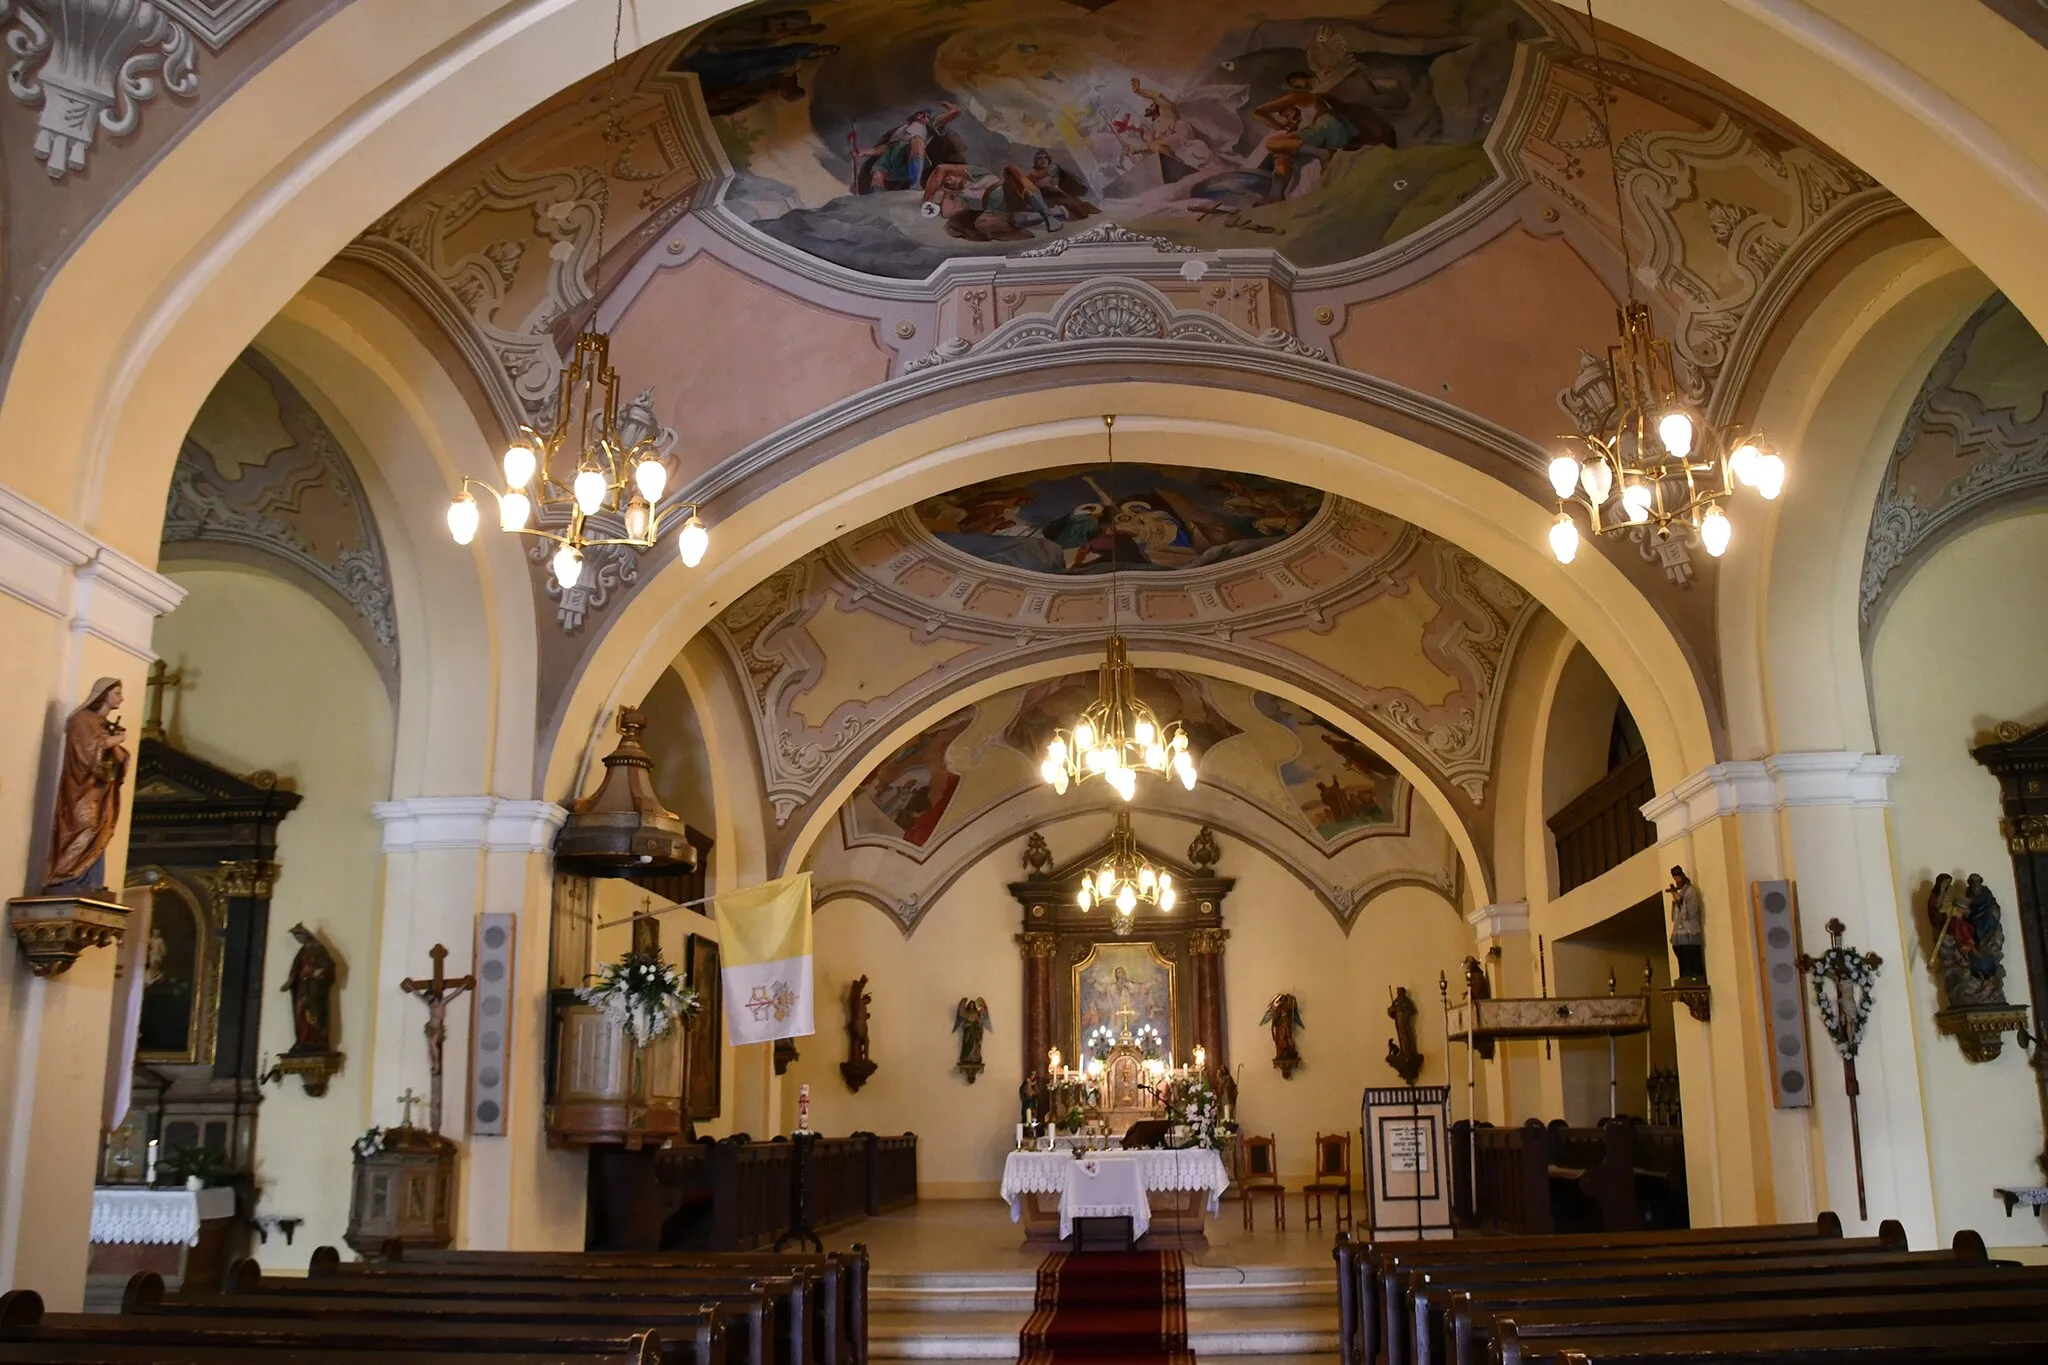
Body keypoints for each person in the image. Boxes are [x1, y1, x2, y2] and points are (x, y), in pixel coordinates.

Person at [43, 677, 129, 895]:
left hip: (100, 793)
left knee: (99, 831)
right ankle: (67, 876)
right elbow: (89, 752)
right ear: (103, 694)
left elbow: (118, 761)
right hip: (80, 790)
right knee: (83, 828)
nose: (121, 698)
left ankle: (90, 883)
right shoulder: (82, 720)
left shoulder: (102, 725)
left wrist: (117, 745)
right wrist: (116, 740)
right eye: (117, 693)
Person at [1667, 866, 1706, 980]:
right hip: (1680, 929)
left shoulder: (1690, 891)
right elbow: (1676, 913)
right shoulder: (1681, 892)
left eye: (1678, 878)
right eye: (1675, 879)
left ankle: (1692, 974)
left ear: (1682, 876)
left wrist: (1679, 900)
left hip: (1689, 929)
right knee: (1678, 949)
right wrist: (1675, 900)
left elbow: (1690, 910)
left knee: (1689, 952)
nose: (1677, 881)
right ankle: (1684, 974)